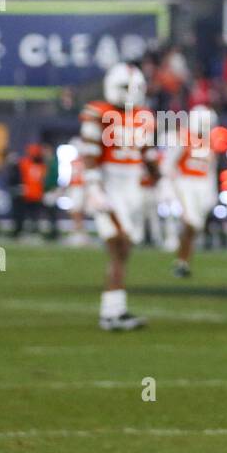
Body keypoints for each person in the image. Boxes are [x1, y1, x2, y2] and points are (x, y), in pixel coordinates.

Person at [80, 62, 154, 330]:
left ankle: (114, 310)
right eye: (126, 87)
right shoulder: (98, 113)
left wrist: (160, 180)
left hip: (132, 186)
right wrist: (94, 188)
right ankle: (112, 313)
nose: (131, 93)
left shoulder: (143, 116)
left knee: (124, 250)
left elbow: (146, 153)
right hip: (109, 185)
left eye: (135, 88)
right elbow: (89, 154)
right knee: (117, 246)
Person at [162, 106, 221, 277]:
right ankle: (179, 255)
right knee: (191, 222)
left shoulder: (209, 142)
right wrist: (169, 186)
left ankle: (183, 262)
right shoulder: (182, 137)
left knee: (195, 226)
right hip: (186, 183)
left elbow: (210, 169)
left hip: (202, 185)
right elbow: (168, 164)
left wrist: (212, 191)